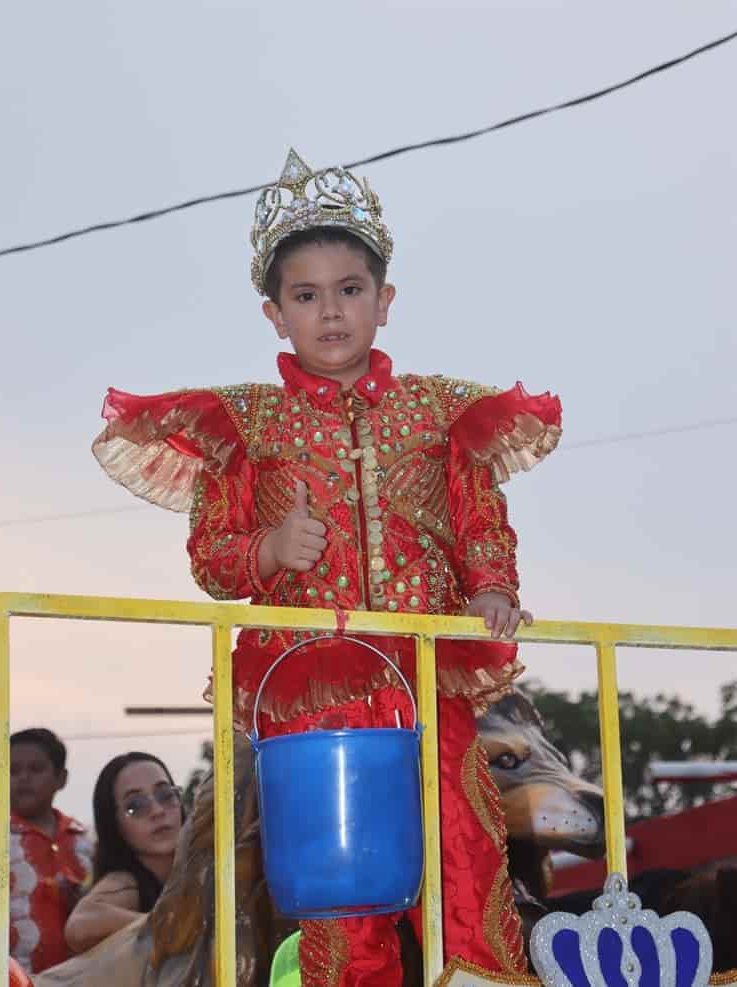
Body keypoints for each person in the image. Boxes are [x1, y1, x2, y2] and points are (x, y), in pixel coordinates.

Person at [91, 148, 562, 985]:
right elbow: (211, 557)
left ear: (384, 300)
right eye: (306, 296)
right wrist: (268, 551)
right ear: (275, 314)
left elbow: (477, 512)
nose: (331, 312)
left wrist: (492, 584)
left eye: (350, 290)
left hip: (426, 678)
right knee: (343, 889)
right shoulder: (248, 423)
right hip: (313, 692)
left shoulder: (439, 407)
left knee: (465, 850)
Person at [0, 729, 92, 975]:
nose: (23, 778)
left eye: (35, 769)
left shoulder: (86, 842)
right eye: (12, 771)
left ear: (61, 778)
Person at [63, 753, 183, 954]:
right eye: (135, 805)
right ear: (114, 824)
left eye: (165, 795)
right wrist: (175, 929)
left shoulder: (201, 863)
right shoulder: (124, 882)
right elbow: (79, 926)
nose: (157, 811)